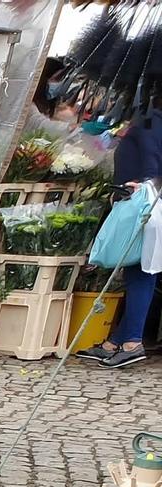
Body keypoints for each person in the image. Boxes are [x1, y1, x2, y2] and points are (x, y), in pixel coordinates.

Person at [83, 104, 160, 368]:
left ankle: (132, 343)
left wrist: (148, 183)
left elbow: (153, 159)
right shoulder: (148, 119)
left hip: (146, 206)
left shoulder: (151, 120)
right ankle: (116, 341)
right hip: (145, 203)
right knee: (140, 272)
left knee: (141, 272)